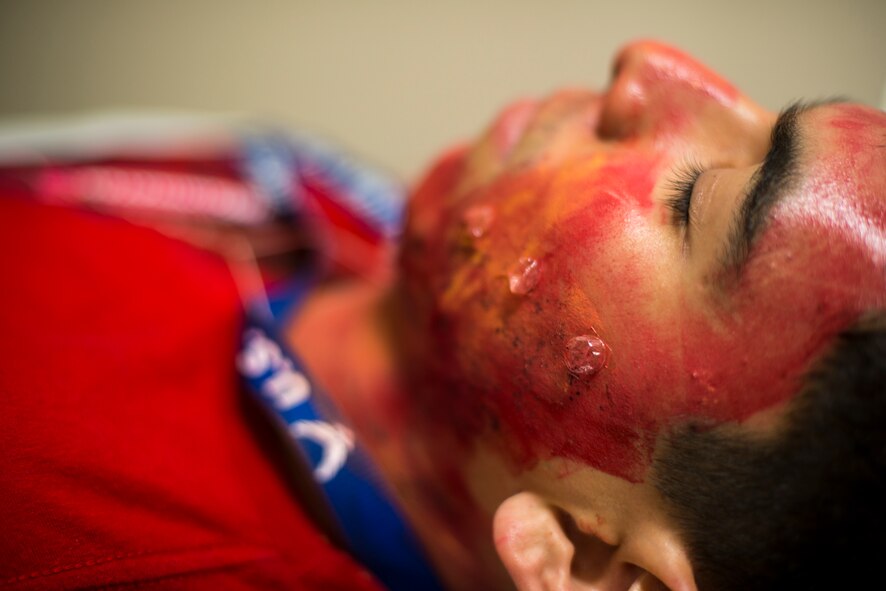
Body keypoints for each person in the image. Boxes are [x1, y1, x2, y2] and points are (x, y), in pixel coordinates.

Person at [1, 40, 884, 591]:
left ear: (585, 558)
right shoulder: (368, 233)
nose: (650, 64)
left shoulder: (66, 528)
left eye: (698, 200)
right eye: (762, 118)